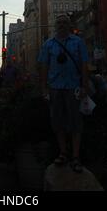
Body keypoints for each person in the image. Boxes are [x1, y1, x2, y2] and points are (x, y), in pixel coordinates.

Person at [38, 14, 89, 173]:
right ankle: (63, 153)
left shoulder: (78, 42)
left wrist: (84, 86)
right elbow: (44, 67)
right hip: (55, 88)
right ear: (55, 25)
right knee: (57, 121)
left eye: (64, 22)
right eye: (58, 22)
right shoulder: (48, 44)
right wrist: (44, 88)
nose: (61, 25)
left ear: (69, 25)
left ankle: (76, 157)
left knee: (75, 122)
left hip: (73, 87)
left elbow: (84, 64)